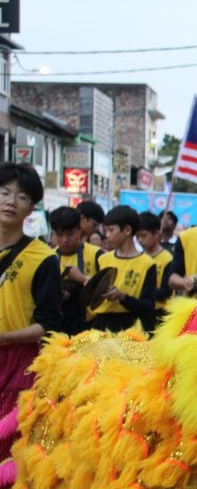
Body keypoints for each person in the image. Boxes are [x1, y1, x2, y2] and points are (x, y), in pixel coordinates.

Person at [0, 163, 61, 437]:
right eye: (4, 193)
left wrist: (6, 337)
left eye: (21, 197)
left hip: (17, 363)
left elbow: (48, 324)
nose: (10, 202)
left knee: (8, 441)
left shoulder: (44, 258)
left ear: (31, 207)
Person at [90, 205, 157, 333]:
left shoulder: (147, 264)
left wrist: (122, 297)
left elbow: (148, 307)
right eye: (106, 231)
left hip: (131, 329)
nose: (107, 235)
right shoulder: (103, 259)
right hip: (102, 326)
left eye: (111, 230)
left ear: (127, 230)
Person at [49, 205, 104, 335]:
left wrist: (82, 279)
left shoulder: (97, 255)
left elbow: (107, 290)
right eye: (59, 234)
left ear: (79, 231)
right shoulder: (49, 258)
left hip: (90, 328)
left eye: (69, 234)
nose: (64, 240)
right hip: (57, 328)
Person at [136, 211, 174, 323]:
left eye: (143, 235)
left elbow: (166, 292)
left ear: (156, 234)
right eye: (137, 236)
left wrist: (142, 292)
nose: (140, 240)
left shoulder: (167, 259)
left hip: (158, 313)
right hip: (139, 310)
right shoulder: (138, 257)